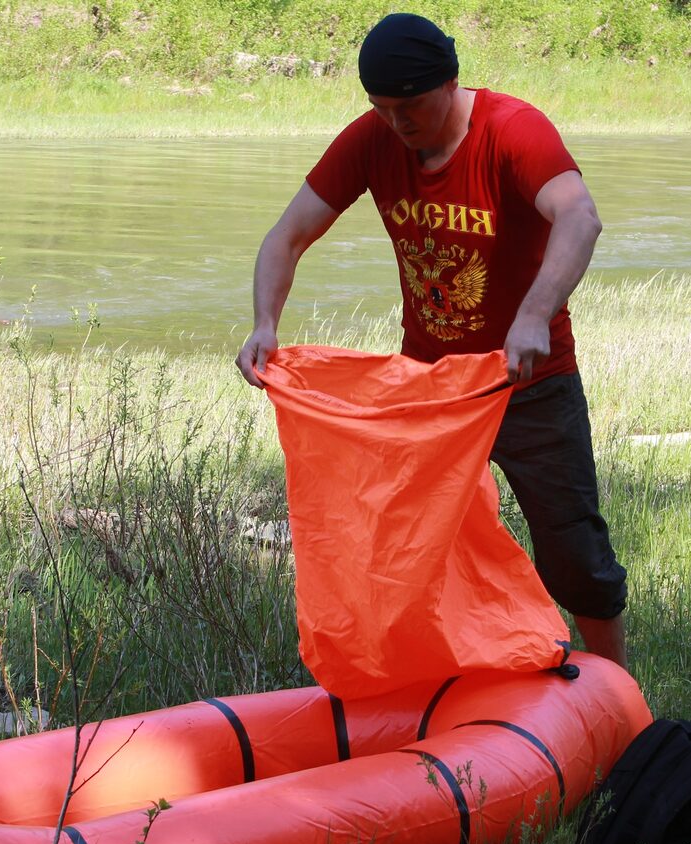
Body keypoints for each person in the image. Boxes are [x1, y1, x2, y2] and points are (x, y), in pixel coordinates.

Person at [235, 12, 628, 669]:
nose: (397, 123)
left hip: (528, 380)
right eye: (381, 109)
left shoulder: (511, 130)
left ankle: (620, 694)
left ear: (449, 83)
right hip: (430, 388)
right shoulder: (372, 140)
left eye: (410, 106)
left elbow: (579, 217)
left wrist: (534, 313)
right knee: (412, 547)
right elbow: (287, 236)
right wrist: (265, 323)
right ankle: (444, 676)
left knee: (572, 550)